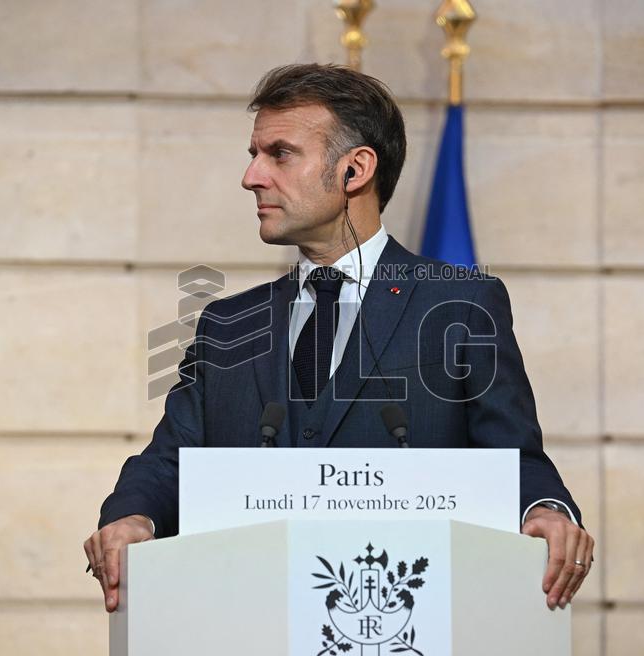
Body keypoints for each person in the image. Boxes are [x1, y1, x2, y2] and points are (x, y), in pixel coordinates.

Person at [84, 63, 594, 615]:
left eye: (279, 154)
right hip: (250, 624)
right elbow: (170, 463)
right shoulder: (226, 324)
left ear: (355, 170)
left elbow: (513, 460)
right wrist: (133, 514)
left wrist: (546, 509)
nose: (251, 176)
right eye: (254, 155)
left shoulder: (461, 306)